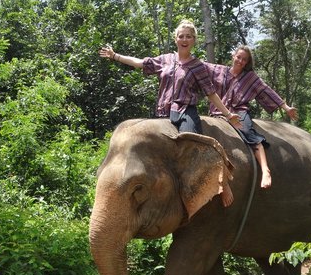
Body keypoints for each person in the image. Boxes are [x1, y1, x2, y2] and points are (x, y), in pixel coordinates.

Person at [99, 19, 242, 207]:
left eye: (189, 36)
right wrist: (115, 56)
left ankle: (222, 182)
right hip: (163, 113)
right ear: (176, 39)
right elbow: (140, 63)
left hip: (185, 111)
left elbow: (210, 93)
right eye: (181, 36)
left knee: (194, 144)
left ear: (193, 40)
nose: (184, 39)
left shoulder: (197, 66)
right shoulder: (165, 59)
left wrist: (227, 114)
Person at [206, 45, 298, 189]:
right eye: (239, 57)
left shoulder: (250, 78)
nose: (240, 61)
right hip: (218, 112)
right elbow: (199, 66)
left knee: (248, 133)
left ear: (247, 62)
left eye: (244, 60)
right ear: (233, 56)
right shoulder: (219, 70)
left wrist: (286, 107)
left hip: (239, 111)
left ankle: (265, 170)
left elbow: (266, 90)